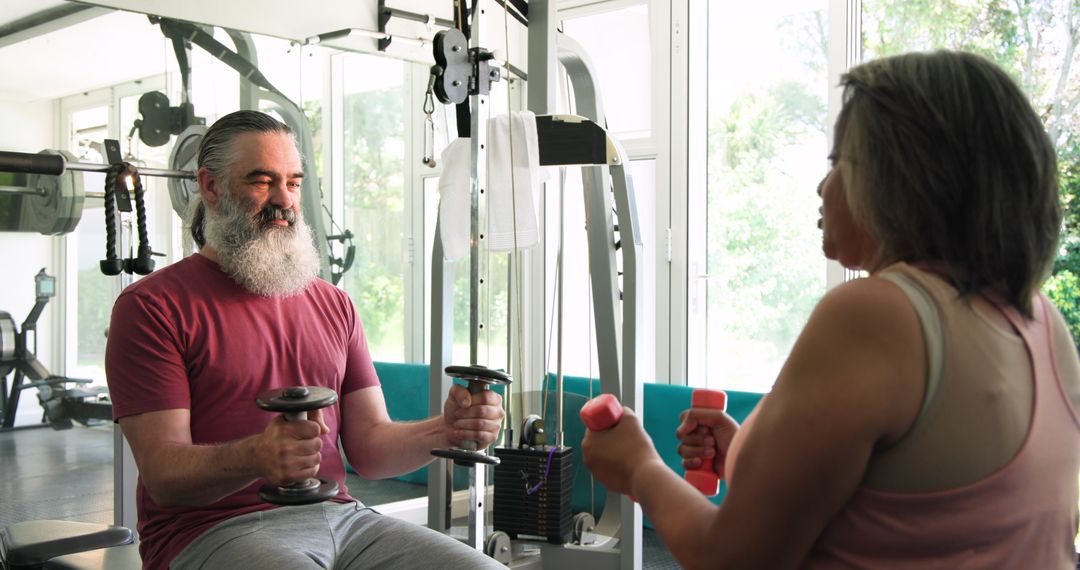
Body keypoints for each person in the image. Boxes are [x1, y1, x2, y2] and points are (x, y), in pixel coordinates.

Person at [582, 49, 1080, 568]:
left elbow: (730, 560)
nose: (822, 186)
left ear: (904, 176)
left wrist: (639, 468)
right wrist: (754, 462)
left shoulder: (877, 316)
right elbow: (934, 513)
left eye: (838, 161)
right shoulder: (1045, 325)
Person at [105, 110, 506, 570]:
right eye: (261, 181)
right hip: (208, 533)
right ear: (211, 187)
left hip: (343, 520)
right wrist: (258, 455)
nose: (284, 200)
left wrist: (445, 431)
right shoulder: (152, 307)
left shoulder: (333, 303)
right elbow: (164, 476)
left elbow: (370, 449)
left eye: (293, 183)